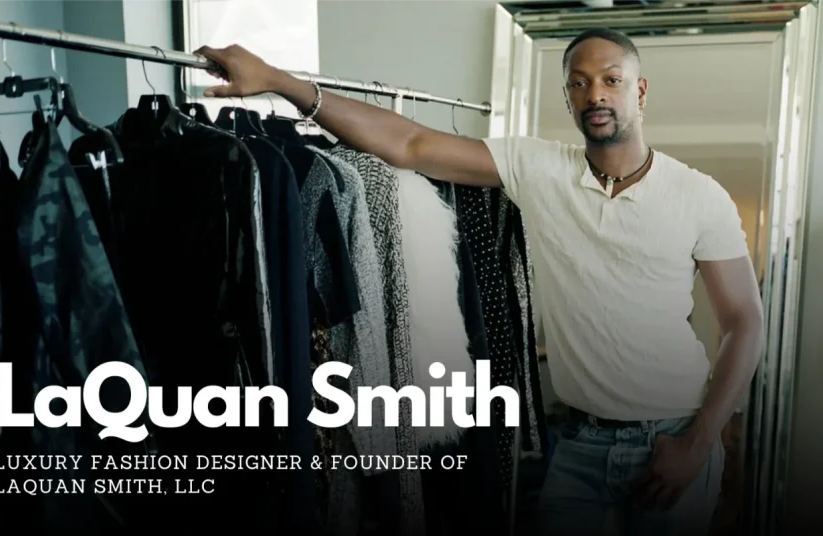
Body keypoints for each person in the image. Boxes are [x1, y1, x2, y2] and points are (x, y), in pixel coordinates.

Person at [195, 27, 764, 536]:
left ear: (639, 92)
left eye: (612, 80)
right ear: (567, 96)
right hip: (578, 444)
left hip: (671, 437)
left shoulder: (698, 195)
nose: (596, 94)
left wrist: (700, 441)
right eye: (579, 83)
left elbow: (744, 322)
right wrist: (276, 81)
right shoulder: (539, 168)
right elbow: (409, 143)